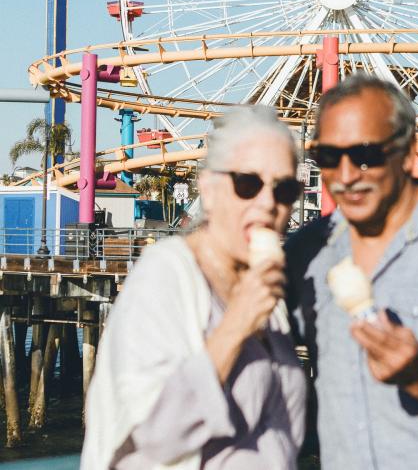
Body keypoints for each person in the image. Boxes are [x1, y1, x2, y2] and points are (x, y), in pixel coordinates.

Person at [286, 74, 418, 469]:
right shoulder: (306, 254)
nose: (347, 175)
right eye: (329, 157)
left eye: (365, 155)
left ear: (405, 153)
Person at [81, 105, 306, 470]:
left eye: (284, 189)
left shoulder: (264, 291)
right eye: (247, 184)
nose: (268, 203)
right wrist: (236, 325)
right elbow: (156, 437)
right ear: (209, 189)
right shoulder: (165, 276)